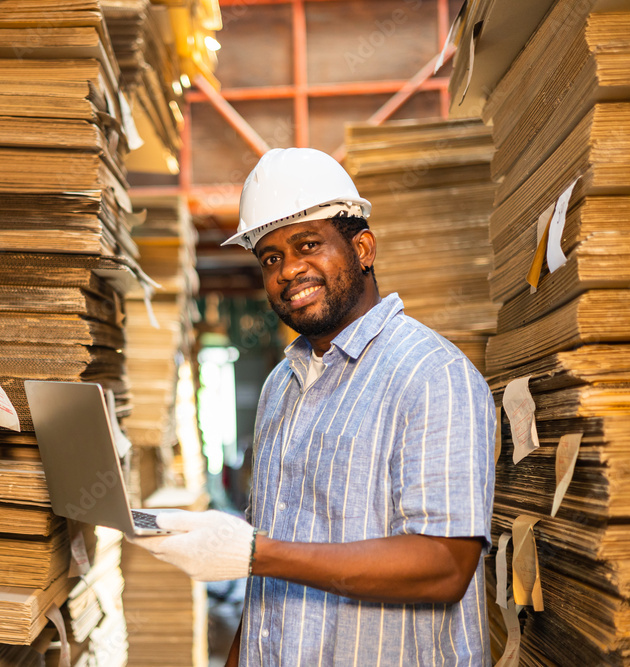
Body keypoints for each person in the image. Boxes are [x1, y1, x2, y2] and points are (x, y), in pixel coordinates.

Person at [132, 148, 496, 665]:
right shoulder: (283, 386)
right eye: (271, 258)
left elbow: (445, 566)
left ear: (363, 248)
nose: (288, 271)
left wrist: (255, 553)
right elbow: (269, 589)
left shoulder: (432, 375)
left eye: (308, 244)